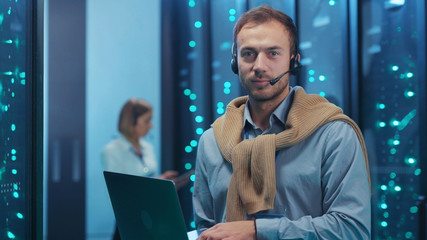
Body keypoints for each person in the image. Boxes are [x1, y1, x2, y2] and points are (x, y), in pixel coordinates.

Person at [192, 5, 371, 240]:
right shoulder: (211, 141)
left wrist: (258, 232)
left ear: (293, 62)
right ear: (235, 62)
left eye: (273, 53)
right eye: (248, 54)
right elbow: (206, 229)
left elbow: (352, 230)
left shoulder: (333, 134)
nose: (259, 66)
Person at [102, 98, 185, 240]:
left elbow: (145, 180)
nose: (151, 125)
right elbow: (118, 193)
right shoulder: (111, 151)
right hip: (129, 221)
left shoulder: (148, 147)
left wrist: (161, 182)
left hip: (152, 217)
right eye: (147, 121)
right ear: (132, 122)